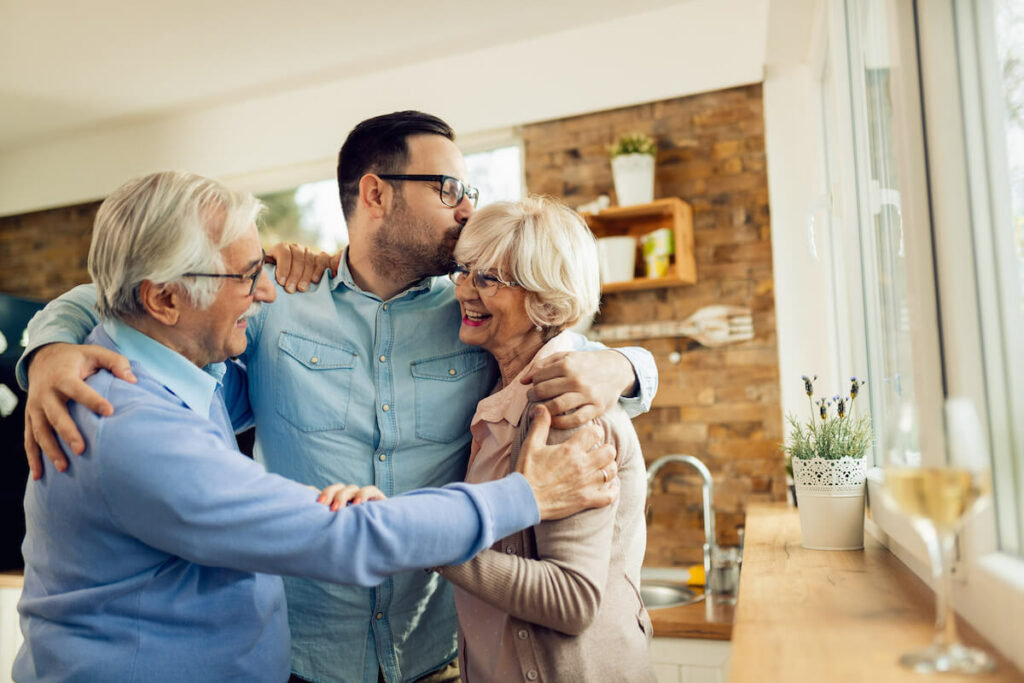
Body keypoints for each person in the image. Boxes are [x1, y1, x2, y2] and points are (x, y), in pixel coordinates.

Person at [18, 111, 659, 683]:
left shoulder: (471, 314)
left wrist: (627, 366)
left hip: (431, 657)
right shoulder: (273, 305)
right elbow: (115, 294)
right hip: (306, 656)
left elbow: (556, 337)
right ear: (376, 193)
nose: (466, 209)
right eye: (449, 190)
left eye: (470, 192)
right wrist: (47, 351)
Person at [434, 196, 655, 683]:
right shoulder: (503, 389)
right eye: (465, 271)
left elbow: (571, 599)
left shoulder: (564, 411)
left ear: (545, 300)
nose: (465, 291)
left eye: (488, 278)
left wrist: (430, 542)